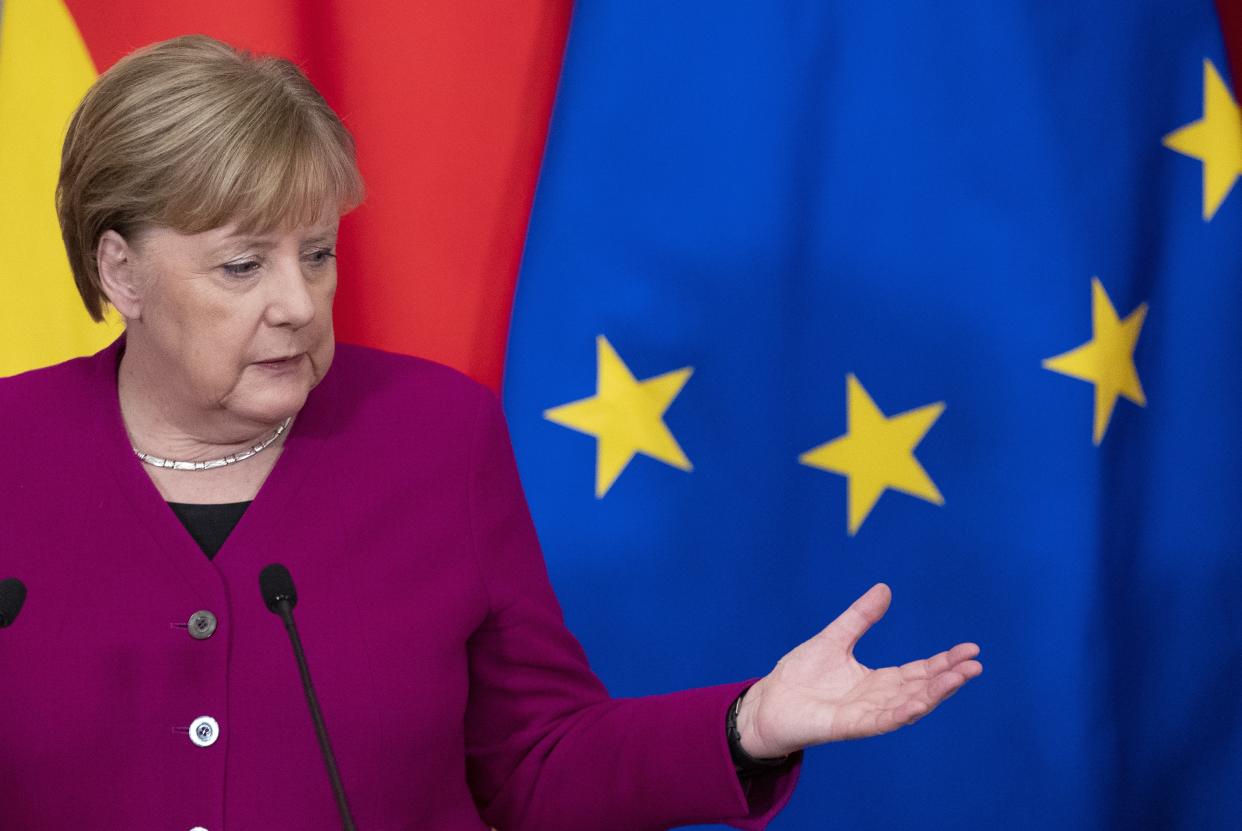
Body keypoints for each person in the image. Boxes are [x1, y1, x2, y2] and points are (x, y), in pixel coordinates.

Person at [0, 35, 982, 830]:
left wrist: (745, 726)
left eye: (317, 254)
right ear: (121, 272)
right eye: (241, 267)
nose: (298, 304)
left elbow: (534, 762)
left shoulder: (432, 436)